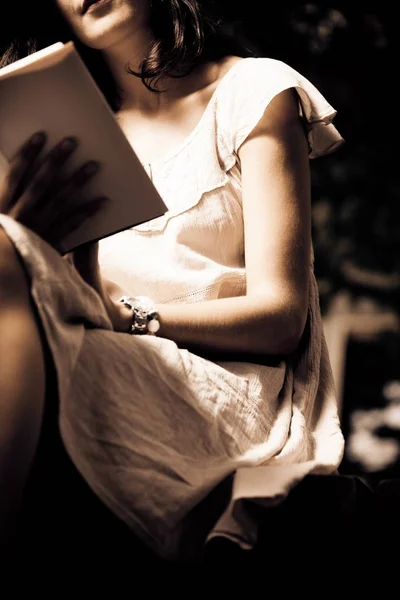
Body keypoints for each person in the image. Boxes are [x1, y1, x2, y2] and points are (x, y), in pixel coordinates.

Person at [0, 0, 345, 569]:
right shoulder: (56, 123)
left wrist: (129, 317)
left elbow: (281, 317)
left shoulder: (252, 90)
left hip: (221, 387)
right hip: (84, 344)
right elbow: (76, 296)